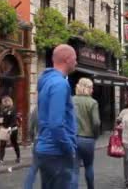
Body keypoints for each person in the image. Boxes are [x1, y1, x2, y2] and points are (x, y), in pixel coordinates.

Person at [35, 44, 78, 189]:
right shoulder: (60, 84)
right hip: (56, 152)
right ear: (67, 60)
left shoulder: (47, 80)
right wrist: (68, 148)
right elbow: (56, 124)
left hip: (46, 150)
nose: (76, 62)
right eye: (75, 59)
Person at [71, 78, 100, 189]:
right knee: (89, 166)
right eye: (91, 87)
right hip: (88, 139)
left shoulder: (70, 100)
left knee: (74, 170)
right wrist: (95, 134)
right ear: (87, 88)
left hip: (73, 138)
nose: (92, 90)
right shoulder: (92, 102)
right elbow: (96, 122)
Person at [0, 96, 20, 167]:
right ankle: (0, 160)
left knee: (14, 143)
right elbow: (4, 120)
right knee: (2, 144)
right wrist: (2, 126)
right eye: (4, 102)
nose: (4, 103)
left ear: (9, 101)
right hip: (5, 129)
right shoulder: (4, 110)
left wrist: (9, 127)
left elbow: (14, 121)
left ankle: (18, 157)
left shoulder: (13, 109)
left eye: (6, 101)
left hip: (13, 129)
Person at [23, 106, 38, 189]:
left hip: (38, 140)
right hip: (52, 142)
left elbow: (30, 127)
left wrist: (32, 139)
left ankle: (27, 186)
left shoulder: (36, 109)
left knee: (34, 167)